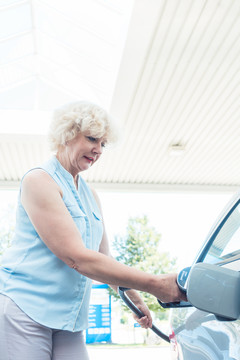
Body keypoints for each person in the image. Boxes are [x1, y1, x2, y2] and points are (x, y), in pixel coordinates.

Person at [0, 101, 186, 360]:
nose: (98, 150)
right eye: (92, 139)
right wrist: (155, 284)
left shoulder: (90, 195)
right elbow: (77, 257)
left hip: (69, 318)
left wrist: (133, 297)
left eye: (103, 144)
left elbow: (103, 259)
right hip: (25, 309)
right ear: (67, 134)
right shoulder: (39, 181)